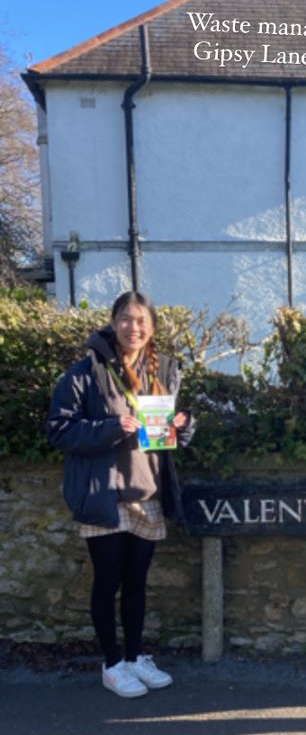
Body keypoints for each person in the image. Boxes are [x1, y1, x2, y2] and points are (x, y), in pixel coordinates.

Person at [47, 291, 195, 698]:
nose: (135, 327)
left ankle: (133, 657)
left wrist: (183, 426)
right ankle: (111, 664)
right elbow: (59, 430)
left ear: (152, 327)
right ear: (113, 322)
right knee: (107, 581)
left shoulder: (163, 369)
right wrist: (112, 427)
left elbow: (168, 435)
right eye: (127, 319)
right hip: (104, 496)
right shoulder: (84, 372)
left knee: (136, 582)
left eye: (142, 321)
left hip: (146, 492)